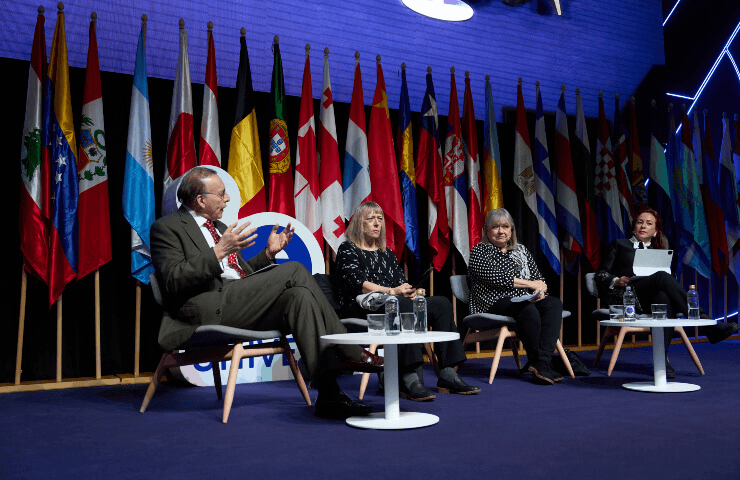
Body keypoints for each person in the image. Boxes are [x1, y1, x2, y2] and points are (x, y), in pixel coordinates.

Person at [150, 167, 384, 419]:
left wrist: (269, 254)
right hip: (206, 308)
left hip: (236, 301)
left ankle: (329, 395)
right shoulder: (167, 228)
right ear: (200, 200)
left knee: (300, 297)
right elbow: (173, 280)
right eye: (221, 194)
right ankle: (349, 350)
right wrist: (218, 252)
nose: (227, 199)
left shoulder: (219, 226)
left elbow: (240, 273)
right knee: (294, 270)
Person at [335, 202, 480, 401]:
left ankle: (448, 372)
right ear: (359, 224)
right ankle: (408, 375)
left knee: (441, 303)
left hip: (393, 304)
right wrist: (393, 291)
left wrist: (410, 291)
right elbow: (358, 283)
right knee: (400, 304)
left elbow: (399, 282)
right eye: (371, 219)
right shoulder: (348, 248)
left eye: (380, 219)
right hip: (362, 309)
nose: (377, 224)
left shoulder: (386, 253)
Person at [595, 206, 738, 377]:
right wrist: (616, 280)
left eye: (648, 224)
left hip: (652, 299)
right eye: (640, 222)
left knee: (664, 296)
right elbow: (600, 274)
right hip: (628, 297)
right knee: (662, 277)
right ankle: (706, 323)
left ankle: (661, 359)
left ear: (655, 231)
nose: (643, 226)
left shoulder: (661, 252)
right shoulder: (619, 244)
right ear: (634, 227)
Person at [468, 208, 564, 385]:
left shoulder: (521, 250)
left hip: (523, 300)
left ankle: (542, 362)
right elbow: (499, 279)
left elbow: (538, 277)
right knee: (527, 309)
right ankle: (540, 364)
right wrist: (531, 285)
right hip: (492, 302)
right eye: (495, 227)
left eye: (505, 226)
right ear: (487, 231)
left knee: (554, 304)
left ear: (512, 230)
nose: (501, 231)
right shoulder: (479, 252)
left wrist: (540, 290)